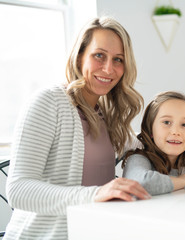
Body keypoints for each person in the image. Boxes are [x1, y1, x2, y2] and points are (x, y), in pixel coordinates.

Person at [4, 17, 150, 239]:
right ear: (79, 56)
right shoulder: (49, 102)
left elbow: (147, 148)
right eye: (99, 55)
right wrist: (96, 194)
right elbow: (18, 190)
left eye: (118, 59)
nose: (109, 68)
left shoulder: (107, 115)